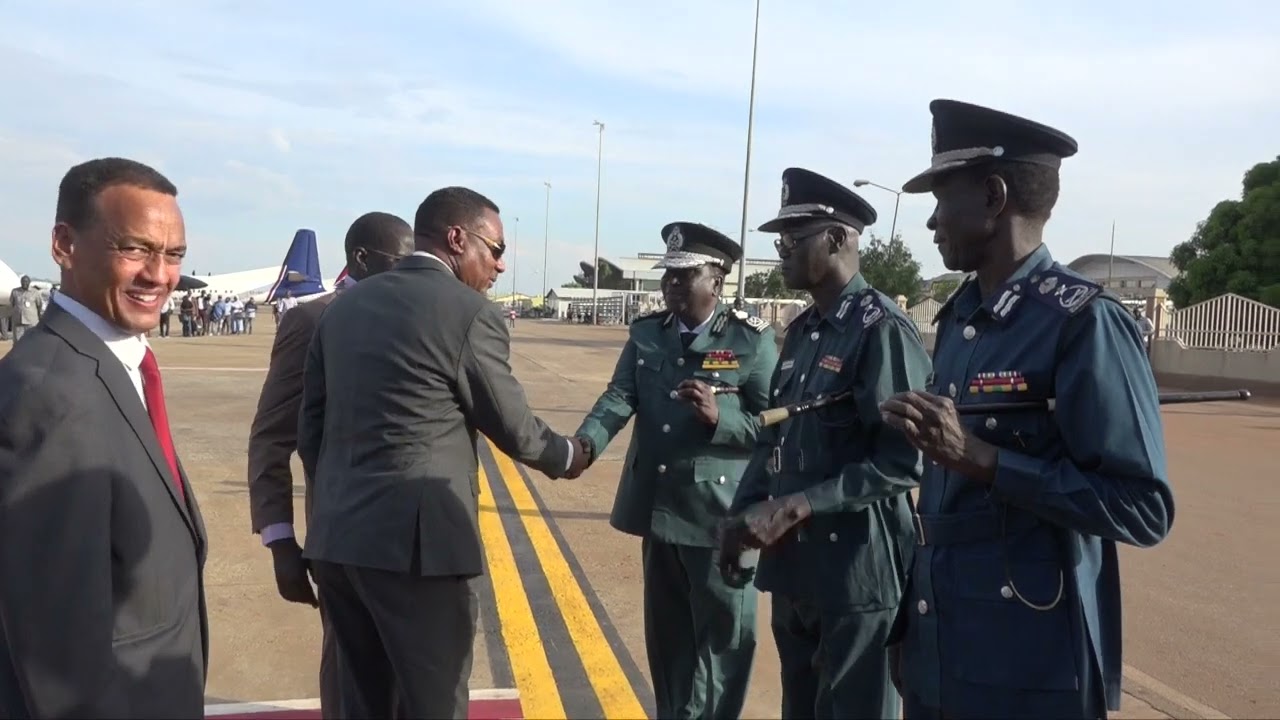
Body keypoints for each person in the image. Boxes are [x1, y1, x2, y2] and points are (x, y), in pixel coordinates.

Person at [880, 99, 1175, 719]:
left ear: (992, 197)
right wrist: (912, 623)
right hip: (943, 646)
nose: (932, 223)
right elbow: (943, 507)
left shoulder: (1082, 323)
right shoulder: (961, 318)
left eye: (942, 199)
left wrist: (984, 458)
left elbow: (1143, 507)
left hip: (1029, 665)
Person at [297, 186, 591, 719]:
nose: (500, 267)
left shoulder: (343, 309)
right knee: (432, 703)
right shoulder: (468, 313)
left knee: (362, 702)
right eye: (496, 249)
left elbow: (310, 429)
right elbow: (516, 429)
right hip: (418, 555)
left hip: (339, 543)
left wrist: (339, 502)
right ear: (457, 239)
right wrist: (570, 455)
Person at [720, 167, 931, 720]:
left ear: (837, 239)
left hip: (856, 577)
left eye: (793, 239)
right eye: (779, 240)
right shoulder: (804, 330)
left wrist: (799, 504)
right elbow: (776, 439)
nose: (782, 251)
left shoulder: (880, 329)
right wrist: (741, 518)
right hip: (796, 573)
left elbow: (904, 462)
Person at [0, 157, 208, 718]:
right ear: (64, 245)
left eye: (174, 255)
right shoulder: (50, 396)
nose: (160, 275)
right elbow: (56, 644)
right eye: (135, 249)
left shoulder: (114, 365)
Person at [573, 222, 780, 720]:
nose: (671, 286)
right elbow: (620, 395)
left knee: (723, 643)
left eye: (684, 277)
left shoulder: (751, 342)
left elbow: (780, 425)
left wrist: (721, 419)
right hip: (659, 510)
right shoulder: (647, 334)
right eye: (668, 276)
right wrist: (584, 445)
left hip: (719, 517)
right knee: (667, 642)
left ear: (718, 280)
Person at [247, 211, 414, 717]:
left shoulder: (418, 321)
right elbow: (271, 437)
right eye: (399, 262)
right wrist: (280, 541)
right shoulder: (312, 321)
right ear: (360, 259)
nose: (410, 274)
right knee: (350, 682)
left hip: (416, 546)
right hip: (342, 545)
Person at [8, 275, 45, 342]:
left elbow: (39, 306)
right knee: (18, 342)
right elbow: (12, 304)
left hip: (31, 322)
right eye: (23, 281)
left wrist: (39, 317)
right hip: (18, 322)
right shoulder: (15, 292)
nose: (24, 283)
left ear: (29, 282)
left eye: (26, 281)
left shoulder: (35, 292)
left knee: (32, 341)